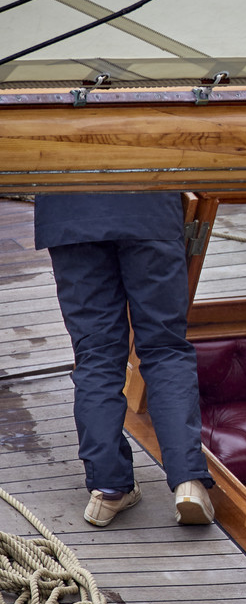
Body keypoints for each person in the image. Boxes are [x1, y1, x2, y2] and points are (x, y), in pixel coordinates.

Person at [34, 192, 215, 526]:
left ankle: (108, 488)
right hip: (147, 207)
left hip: (69, 213)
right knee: (165, 349)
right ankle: (188, 482)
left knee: (96, 354)